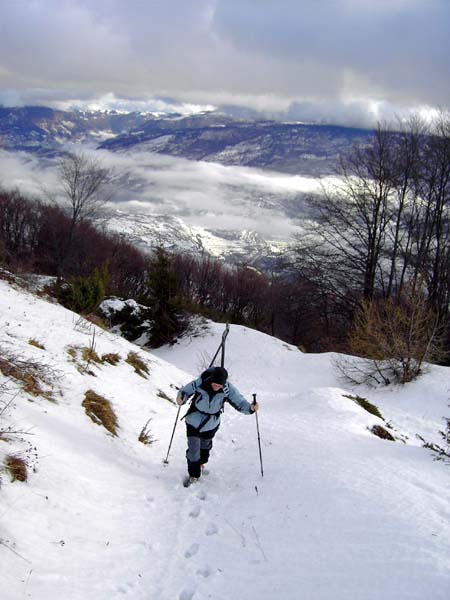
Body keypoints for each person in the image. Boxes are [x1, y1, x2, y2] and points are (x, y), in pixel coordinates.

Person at [176, 366, 259, 485]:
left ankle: (201, 462)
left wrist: (251, 408)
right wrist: (181, 398)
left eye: (219, 385)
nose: (216, 387)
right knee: (194, 449)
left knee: (205, 448)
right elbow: (185, 391)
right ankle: (194, 475)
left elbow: (240, 402)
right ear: (211, 379)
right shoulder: (200, 382)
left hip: (211, 423)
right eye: (214, 384)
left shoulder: (227, 389)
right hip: (194, 420)